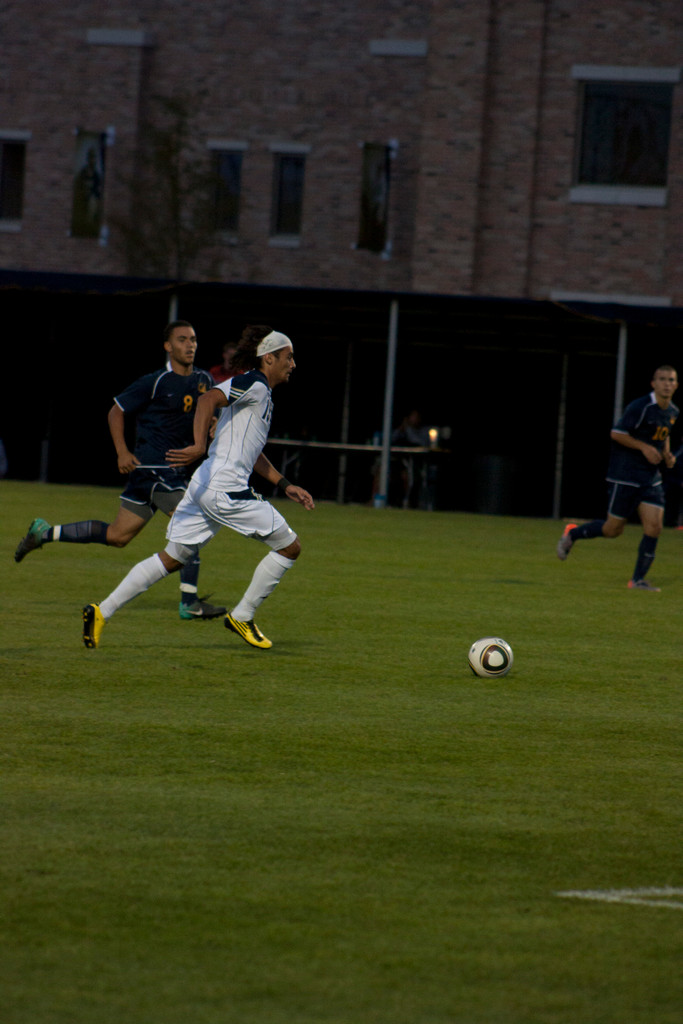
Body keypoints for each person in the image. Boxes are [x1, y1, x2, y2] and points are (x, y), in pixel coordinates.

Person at [81, 324, 315, 650]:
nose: (293, 364)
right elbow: (206, 401)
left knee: (173, 557)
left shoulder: (257, 392)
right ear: (270, 358)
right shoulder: (255, 384)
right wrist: (197, 444)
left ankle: (100, 611)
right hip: (226, 491)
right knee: (290, 547)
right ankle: (243, 616)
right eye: (289, 357)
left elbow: (251, 450)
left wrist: (284, 482)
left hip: (203, 486)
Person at [15, 320, 226, 620]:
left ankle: (44, 533)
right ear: (168, 346)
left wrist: (213, 424)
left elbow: (210, 412)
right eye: (182, 340)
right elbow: (116, 410)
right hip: (154, 469)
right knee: (190, 522)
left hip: (168, 475)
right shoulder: (155, 381)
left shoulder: (205, 379)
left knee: (117, 536)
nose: (190, 345)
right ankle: (189, 603)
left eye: (193, 339)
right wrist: (122, 452)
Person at [557, 365, 679, 591]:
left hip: (650, 478)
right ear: (653, 383)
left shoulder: (672, 411)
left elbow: (663, 435)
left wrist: (666, 455)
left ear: (676, 384)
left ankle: (638, 580)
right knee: (613, 530)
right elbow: (617, 433)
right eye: (662, 379)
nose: (667, 383)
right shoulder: (641, 407)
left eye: (671, 380)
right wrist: (643, 447)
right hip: (625, 475)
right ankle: (572, 533)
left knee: (654, 527)